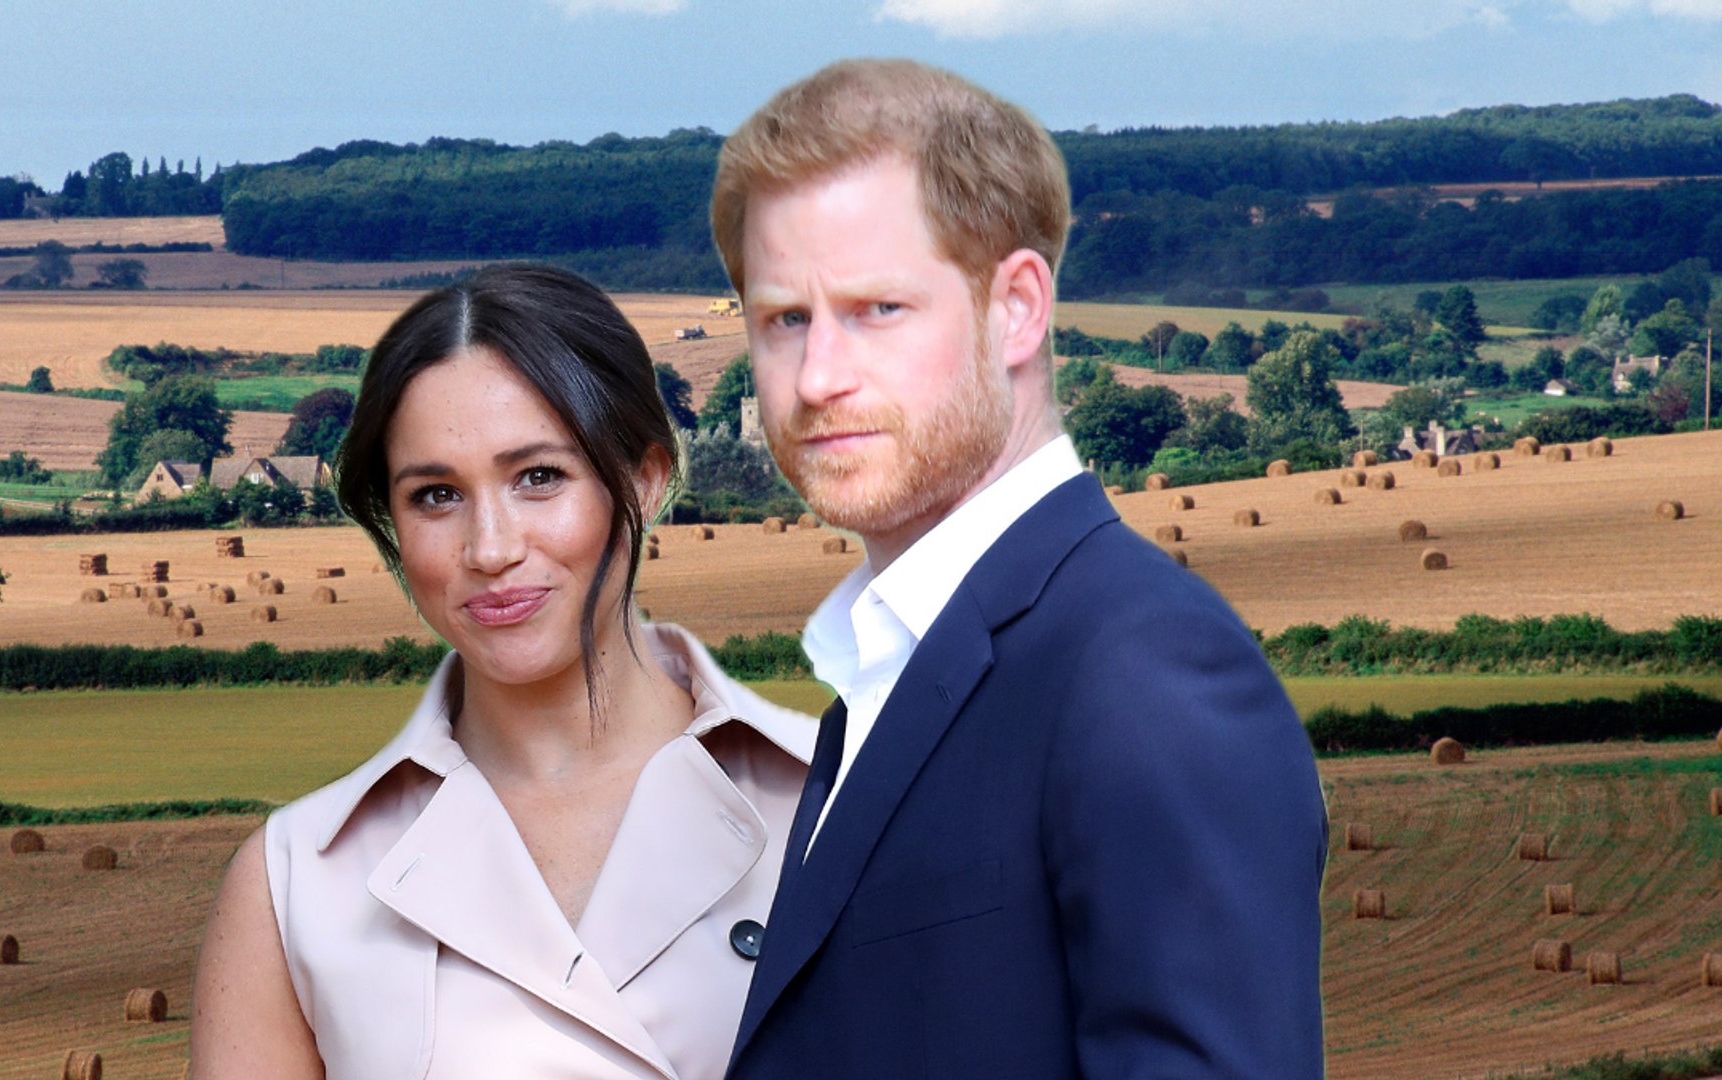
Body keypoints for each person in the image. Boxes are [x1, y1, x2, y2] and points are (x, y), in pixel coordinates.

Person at [710, 59, 1328, 1077]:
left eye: (877, 309)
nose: (817, 377)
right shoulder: (887, 668)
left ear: (1018, 309)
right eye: (785, 319)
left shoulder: (1142, 674)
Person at [190, 263, 813, 1079]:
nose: (490, 549)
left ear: (646, 479)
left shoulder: (840, 805)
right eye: (436, 496)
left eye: (539, 478)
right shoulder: (293, 886)